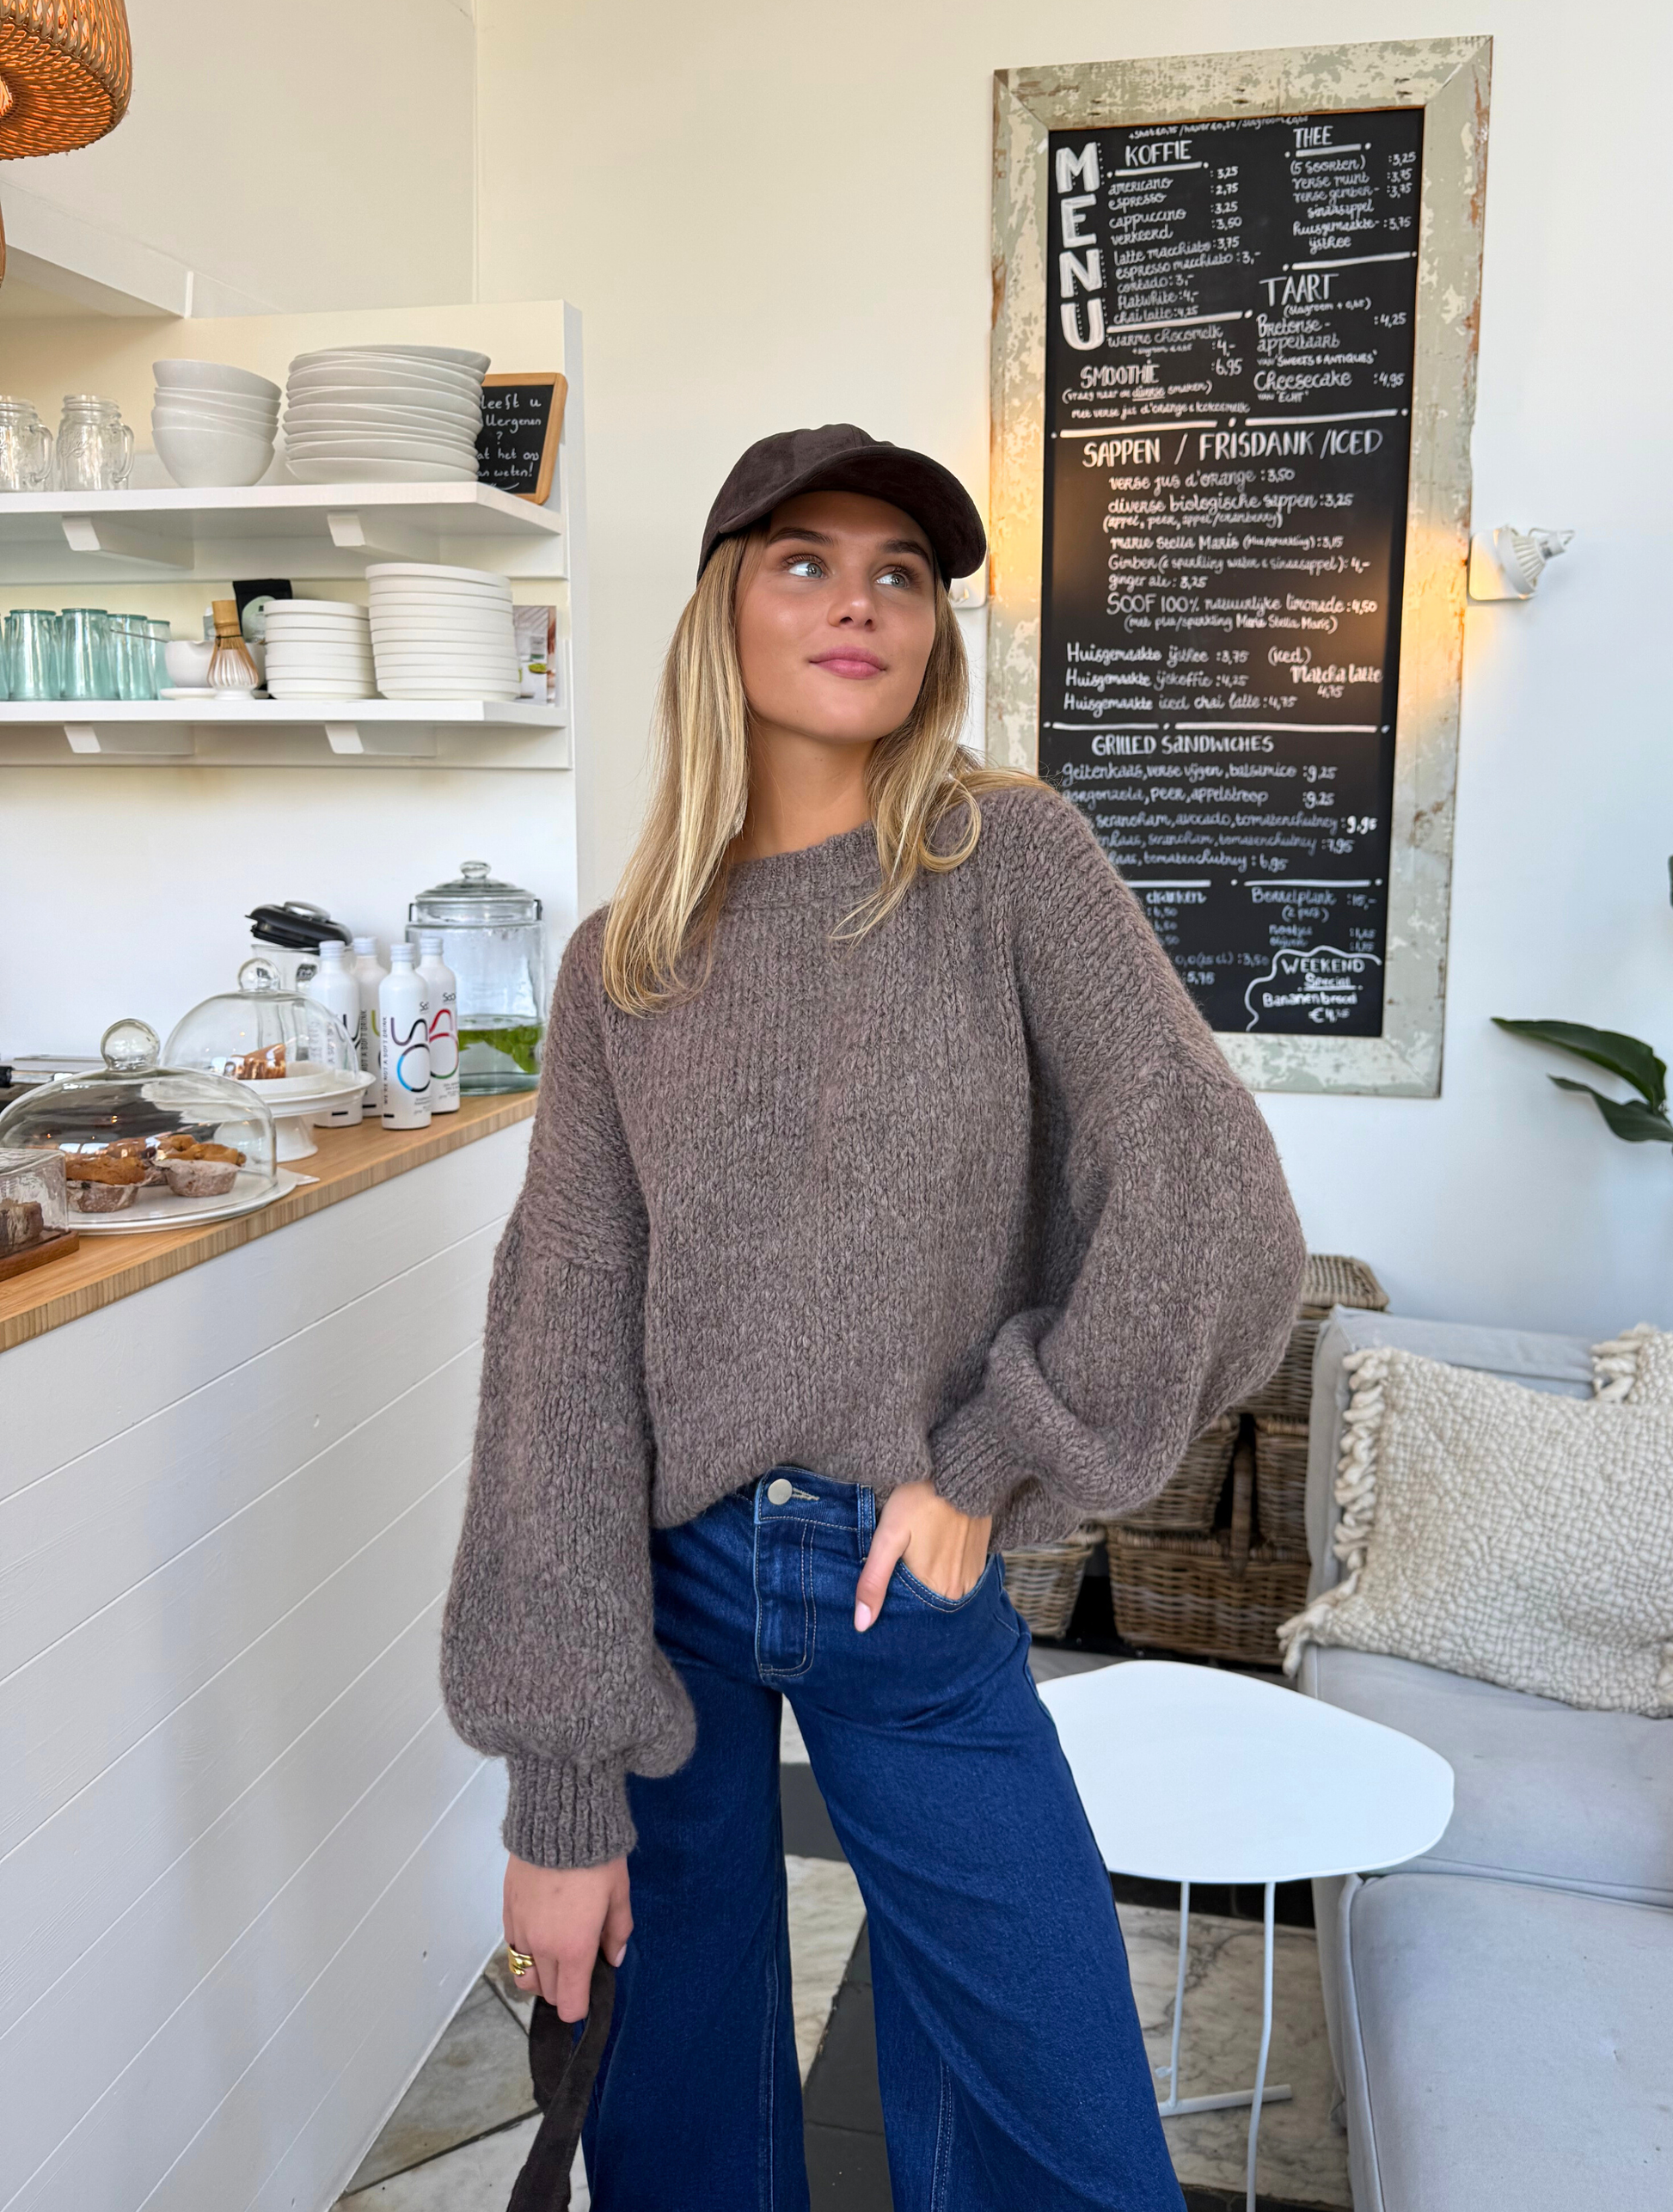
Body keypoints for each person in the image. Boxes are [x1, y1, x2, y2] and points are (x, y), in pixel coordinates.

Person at [441, 423, 1306, 2210]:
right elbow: (562, 1357)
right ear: (721, 613)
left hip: (898, 1583)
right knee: (674, 2126)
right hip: (663, 1594)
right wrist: (558, 1796)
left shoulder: (1007, 859)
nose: (861, 603)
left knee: (1058, 2137)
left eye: (899, 574)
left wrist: (998, 1457)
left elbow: (1206, 1189)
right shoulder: (621, 963)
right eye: (806, 562)